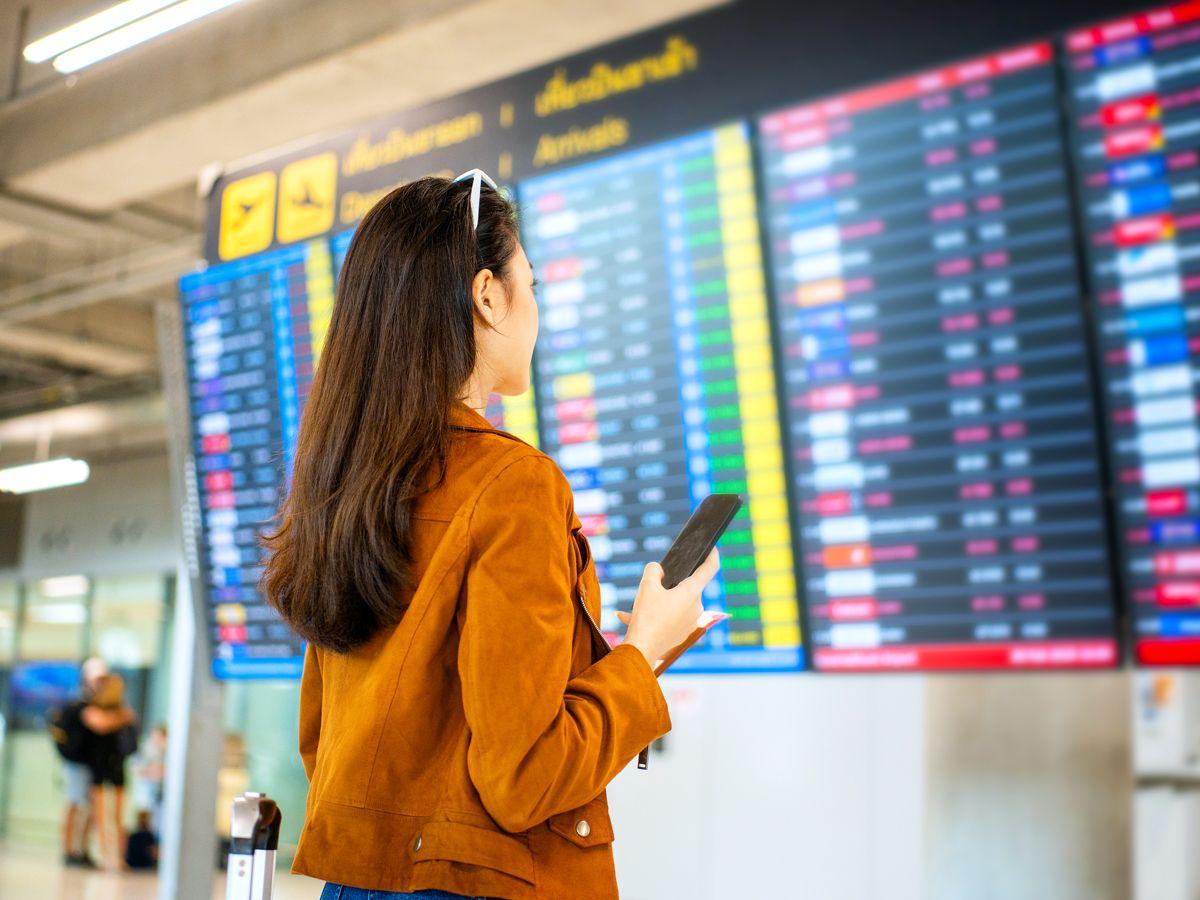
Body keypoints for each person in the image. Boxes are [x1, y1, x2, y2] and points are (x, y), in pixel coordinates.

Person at [262, 171, 719, 900]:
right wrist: (643, 652)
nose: (537, 310)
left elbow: (328, 744)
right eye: (530, 286)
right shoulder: (515, 485)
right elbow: (523, 779)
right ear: (486, 296)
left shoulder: (346, 487)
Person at [48, 656, 108, 868]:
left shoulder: (98, 702)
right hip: (76, 763)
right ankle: (69, 850)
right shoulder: (81, 703)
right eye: (97, 679)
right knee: (74, 805)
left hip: (90, 764)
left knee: (88, 808)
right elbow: (100, 724)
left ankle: (81, 849)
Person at [82, 672, 138, 870]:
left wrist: (119, 717)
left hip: (116, 768)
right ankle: (104, 855)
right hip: (99, 769)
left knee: (118, 817)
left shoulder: (121, 711)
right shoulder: (94, 710)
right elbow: (100, 724)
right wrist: (121, 718)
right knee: (101, 816)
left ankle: (118, 857)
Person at [131, 723, 167, 833]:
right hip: (145, 797)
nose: (156, 740)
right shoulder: (144, 749)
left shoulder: (168, 752)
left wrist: (150, 771)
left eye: (159, 736)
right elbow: (136, 769)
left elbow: (165, 772)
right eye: (154, 736)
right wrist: (153, 771)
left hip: (161, 798)